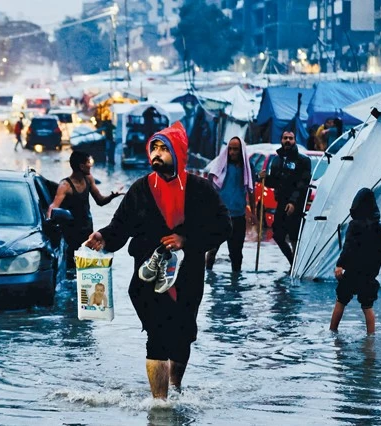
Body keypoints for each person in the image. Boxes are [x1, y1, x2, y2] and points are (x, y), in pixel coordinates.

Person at [84, 122, 231, 399]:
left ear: (178, 152)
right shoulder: (140, 189)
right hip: (146, 277)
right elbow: (120, 227)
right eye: (154, 147)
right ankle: (160, 405)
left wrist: (186, 240)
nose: (157, 153)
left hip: (187, 276)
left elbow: (224, 227)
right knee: (157, 337)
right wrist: (102, 237)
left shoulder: (201, 189)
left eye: (164, 148)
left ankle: (175, 388)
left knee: (183, 335)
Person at [330, 188, 381, 335]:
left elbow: (348, 248)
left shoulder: (354, 226)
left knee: (341, 301)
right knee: (367, 307)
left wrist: (340, 265)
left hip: (352, 272)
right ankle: (370, 340)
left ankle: (332, 332)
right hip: (369, 274)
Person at [47, 151, 123, 265]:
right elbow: (53, 207)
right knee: (72, 265)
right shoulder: (65, 185)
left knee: (88, 265)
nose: (91, 165)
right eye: (88, 162)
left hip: (87, 231)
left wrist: (113, 196)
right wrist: (48, 222)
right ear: (82, 166)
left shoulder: (89, 179)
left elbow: (100, 201)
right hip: (70, 234)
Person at [258, 129, 312, 266]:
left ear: (295, 141)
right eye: (285, 138)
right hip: (281, 203)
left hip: (296, 204)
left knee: (294, 236)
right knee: (278, 235)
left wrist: (293, 202)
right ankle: (293, 263)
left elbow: (302, 184)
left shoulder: (303, 161)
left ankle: (298, 265)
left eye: (291, 138)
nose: (288, 140)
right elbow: (274, 182)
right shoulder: (277, 160)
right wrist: (264, 178)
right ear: (281, 140)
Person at [205, 136, 257, 272]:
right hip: (219, 215)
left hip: (238, 215)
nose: (233, 152)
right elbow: (210, 188)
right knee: (212, 250)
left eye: (236, 150)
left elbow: (252, 190)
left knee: (236, 253)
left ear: (241, 151)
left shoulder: (247, 168)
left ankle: (235, 286)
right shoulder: (220, 166)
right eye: (230, 149)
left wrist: (253, 213)